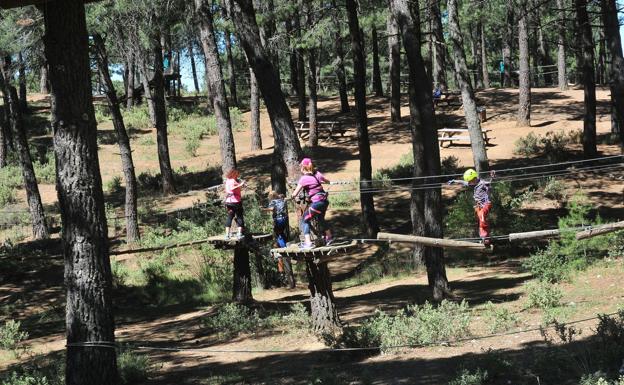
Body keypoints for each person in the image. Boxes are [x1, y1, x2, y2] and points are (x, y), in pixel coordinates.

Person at [291, 158, 333, 250]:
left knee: (304, 220)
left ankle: (308, 243)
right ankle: (329, 238)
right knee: (321, 219)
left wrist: (292, 196)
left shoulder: (304, 179)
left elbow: (295, 193)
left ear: (303, 168)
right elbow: (326, 181)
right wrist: (326, 182)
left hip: (317, 203)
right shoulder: (317, 174)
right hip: (324, 202)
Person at [448, 169, 496, 246]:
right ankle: (483, 238)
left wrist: (492, 177)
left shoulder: (483, 183)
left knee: (482, 217)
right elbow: (464, 182)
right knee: (479, 221)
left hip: (486, 205)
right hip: (479, 206)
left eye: (470, 181)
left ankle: (486, 237)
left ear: (474, 178)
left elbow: (490, 183)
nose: (469, 183)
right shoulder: (473, 183)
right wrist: (455, 181)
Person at [224, 168, 245, 239]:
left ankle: (227, 235)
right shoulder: (233, 180)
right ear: (234, 174)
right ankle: (239, 234)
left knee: (230, 217)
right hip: (235, 202)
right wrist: (241, 184)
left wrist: (240, 185)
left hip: (228, 202)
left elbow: (232, 189)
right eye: (237, 174)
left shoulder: (227, 181)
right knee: (239, 216)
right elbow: (233, 188)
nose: (238, 176)